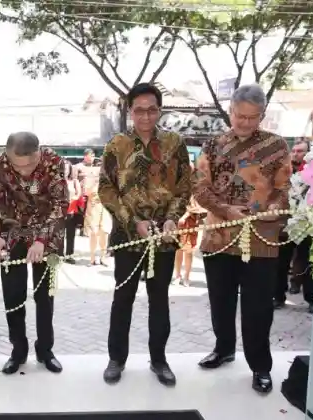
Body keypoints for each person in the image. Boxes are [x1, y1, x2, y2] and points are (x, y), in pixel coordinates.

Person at [193, 84, 292, 394]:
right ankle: (224, 348)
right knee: (220, 301)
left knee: (258, 307)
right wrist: (224, 209)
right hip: (218, 236)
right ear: (230, 111)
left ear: (261, 115)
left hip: (260, 240)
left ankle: (260, 365)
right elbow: (199, 187)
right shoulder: (213, 144)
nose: (245, 123)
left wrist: (271, 211)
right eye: (240, 116)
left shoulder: (276, 146)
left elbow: (284, 191)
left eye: (253, 117)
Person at [100, 83, 191, 386]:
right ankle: (116, 359)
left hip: (164, 240)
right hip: (128, 237)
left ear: (159, 110)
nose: (145, 116)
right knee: (122, 298)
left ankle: (159, 360)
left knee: (159, 299)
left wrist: (172, 220)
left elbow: (183, 187)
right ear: (130, 111)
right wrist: (132, 222)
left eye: (152, 109)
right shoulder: (116, 145)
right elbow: (107, 189)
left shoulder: (175, 143)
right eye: (139, 110)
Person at [0, 132, 68, 375]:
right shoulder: (1, 162)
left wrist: (41, 239)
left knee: (45, 297)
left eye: (30, 165)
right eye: (17, 166)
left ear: (39, 152)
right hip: (13, 233)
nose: (24, 172)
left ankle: (45, 351)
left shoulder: (54, 162)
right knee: (13, 296)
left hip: (48, 234)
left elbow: (60, 204)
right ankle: (18, 351)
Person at [274, 138, 313, 310]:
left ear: (308, 153)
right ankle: (278, 296)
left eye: (301, 151)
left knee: (306, 261)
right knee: (280, 262)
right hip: (284, 224)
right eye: (295, 150)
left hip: (307, 223)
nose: (296, 153)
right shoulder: (283, 171)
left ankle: (310, 298)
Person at [173, 189, 205, 287]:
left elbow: (196, 204)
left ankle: (187, 276)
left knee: (188, 251)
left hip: (189, 222)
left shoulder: (194, 186)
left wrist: (185, 215)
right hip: (176, 219)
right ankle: (177, 275)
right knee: (178, 250)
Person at [84, 156, 111, 266]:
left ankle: (103, 257)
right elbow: (86, 192)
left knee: (104, 232)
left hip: (106, 208)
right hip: (93, 207)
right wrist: (95, 182)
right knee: (94, 233)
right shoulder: (91, 179)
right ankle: (92, 258)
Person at [64, 159, 81, 263]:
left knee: (70, 235)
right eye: (63, 168)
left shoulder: (74, 181)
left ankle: (69, 255)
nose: (65, 170)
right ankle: (59, 255)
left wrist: (73, 199)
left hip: (71, 210)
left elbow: (78, 194)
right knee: (59, 235)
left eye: (66, 168)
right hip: (59, 212)